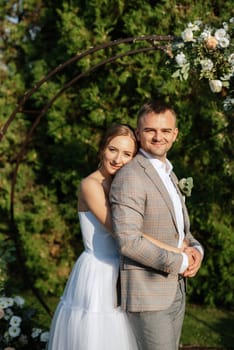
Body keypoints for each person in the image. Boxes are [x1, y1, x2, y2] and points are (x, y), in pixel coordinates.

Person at [48, 123, 192, 350]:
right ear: (102, 149)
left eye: (127, 154)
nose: (118, 159)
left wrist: (181, 242)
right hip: (100, 272)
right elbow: (122, 230)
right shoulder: (90, 185)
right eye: (112, 149)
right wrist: (174, 250)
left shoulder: (126, 184)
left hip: (129, 270)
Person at [109, 101, 204, 350]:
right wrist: (181, 262)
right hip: (147, 295)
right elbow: (128, 241)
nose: (158, 137)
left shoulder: (169, 173)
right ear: (139, 134)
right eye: (150, 130)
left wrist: (196, 251)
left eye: (165, 131)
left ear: (175, 134)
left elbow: (181, 231)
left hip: (176, 289)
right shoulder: (130, 176)